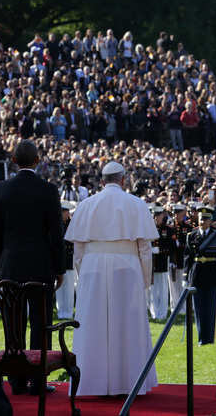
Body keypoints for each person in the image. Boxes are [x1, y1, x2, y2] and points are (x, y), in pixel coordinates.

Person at [65, 161, 158, 396]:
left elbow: (78, 251)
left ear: (102, 181)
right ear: (123, 180)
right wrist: (145, 281)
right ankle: (128, 383)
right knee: (128, 325)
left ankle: (91, 383)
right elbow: (145, 249)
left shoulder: (86, 205)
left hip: (92, 266)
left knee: (92, 325)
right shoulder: (136, 204)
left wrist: (82, 276)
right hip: (127, 267)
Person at [0, 139, 66, 395]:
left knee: (14, 324)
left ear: (13, 161)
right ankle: (36, 379)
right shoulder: (48, 190)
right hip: (40, 265)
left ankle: (17, 380)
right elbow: (56, 234)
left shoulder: (0, 189)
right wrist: (60, 268)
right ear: (38, 161)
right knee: (40, 323)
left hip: (10, 265)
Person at [185, 206, 216, 345]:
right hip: (197, 274)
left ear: (210, 220)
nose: (203, 221)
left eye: (206, 219)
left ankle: (210, 338)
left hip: (212, 273)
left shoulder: (215, 234)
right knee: (199, 308)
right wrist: (185, 276)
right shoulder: (192, 235)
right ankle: (201, 338)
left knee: (211, 307)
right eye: (201, 219)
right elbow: (187, 257)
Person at [148, 204, 172, 321]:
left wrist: (161, 250)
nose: (157, 218)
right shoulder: (148, 228)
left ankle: (162, 312)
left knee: (162, 289)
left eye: (159, 216)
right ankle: (154, 312)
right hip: (151, 264)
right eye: (155, 216)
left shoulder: (167, 230)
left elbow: (170, 246)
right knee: (153, 290)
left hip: (162, 262)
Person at [55, 200, 77, 319]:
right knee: (59, 286)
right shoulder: (56, 224)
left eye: (65, 211)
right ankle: (60, 311)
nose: (63, 213)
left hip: (69, 258)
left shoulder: (72, 224)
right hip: (59, 258)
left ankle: (68, 312)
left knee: (69, 287)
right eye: (62, 211)